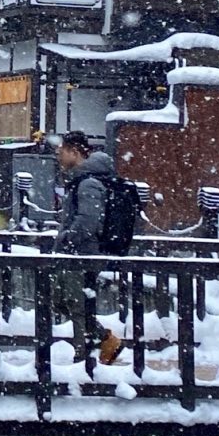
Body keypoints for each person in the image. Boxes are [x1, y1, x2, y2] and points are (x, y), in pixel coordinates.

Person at [53, 130, 124, 365]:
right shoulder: (80, 181)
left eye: (61, 151)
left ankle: (82, 359)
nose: (58, 155)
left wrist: (66, 238)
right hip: (75, 252)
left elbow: (88, 221)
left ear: (74, 152)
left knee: (76, 305)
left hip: (82, 254)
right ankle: (104, 339)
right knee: (64, 301)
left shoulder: (88, 183)